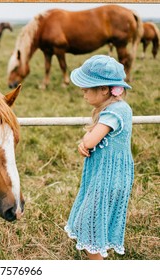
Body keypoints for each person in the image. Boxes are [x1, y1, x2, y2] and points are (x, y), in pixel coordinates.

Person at [64, 55, 135, 260]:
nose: (83, 94)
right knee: (96, 219)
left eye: (86, 89)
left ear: (104, 89)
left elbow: (90, 141)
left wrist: (84, 140)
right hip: (111, 176)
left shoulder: (112, 112)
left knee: (90, 223)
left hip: (107, 178)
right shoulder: (120, 109)